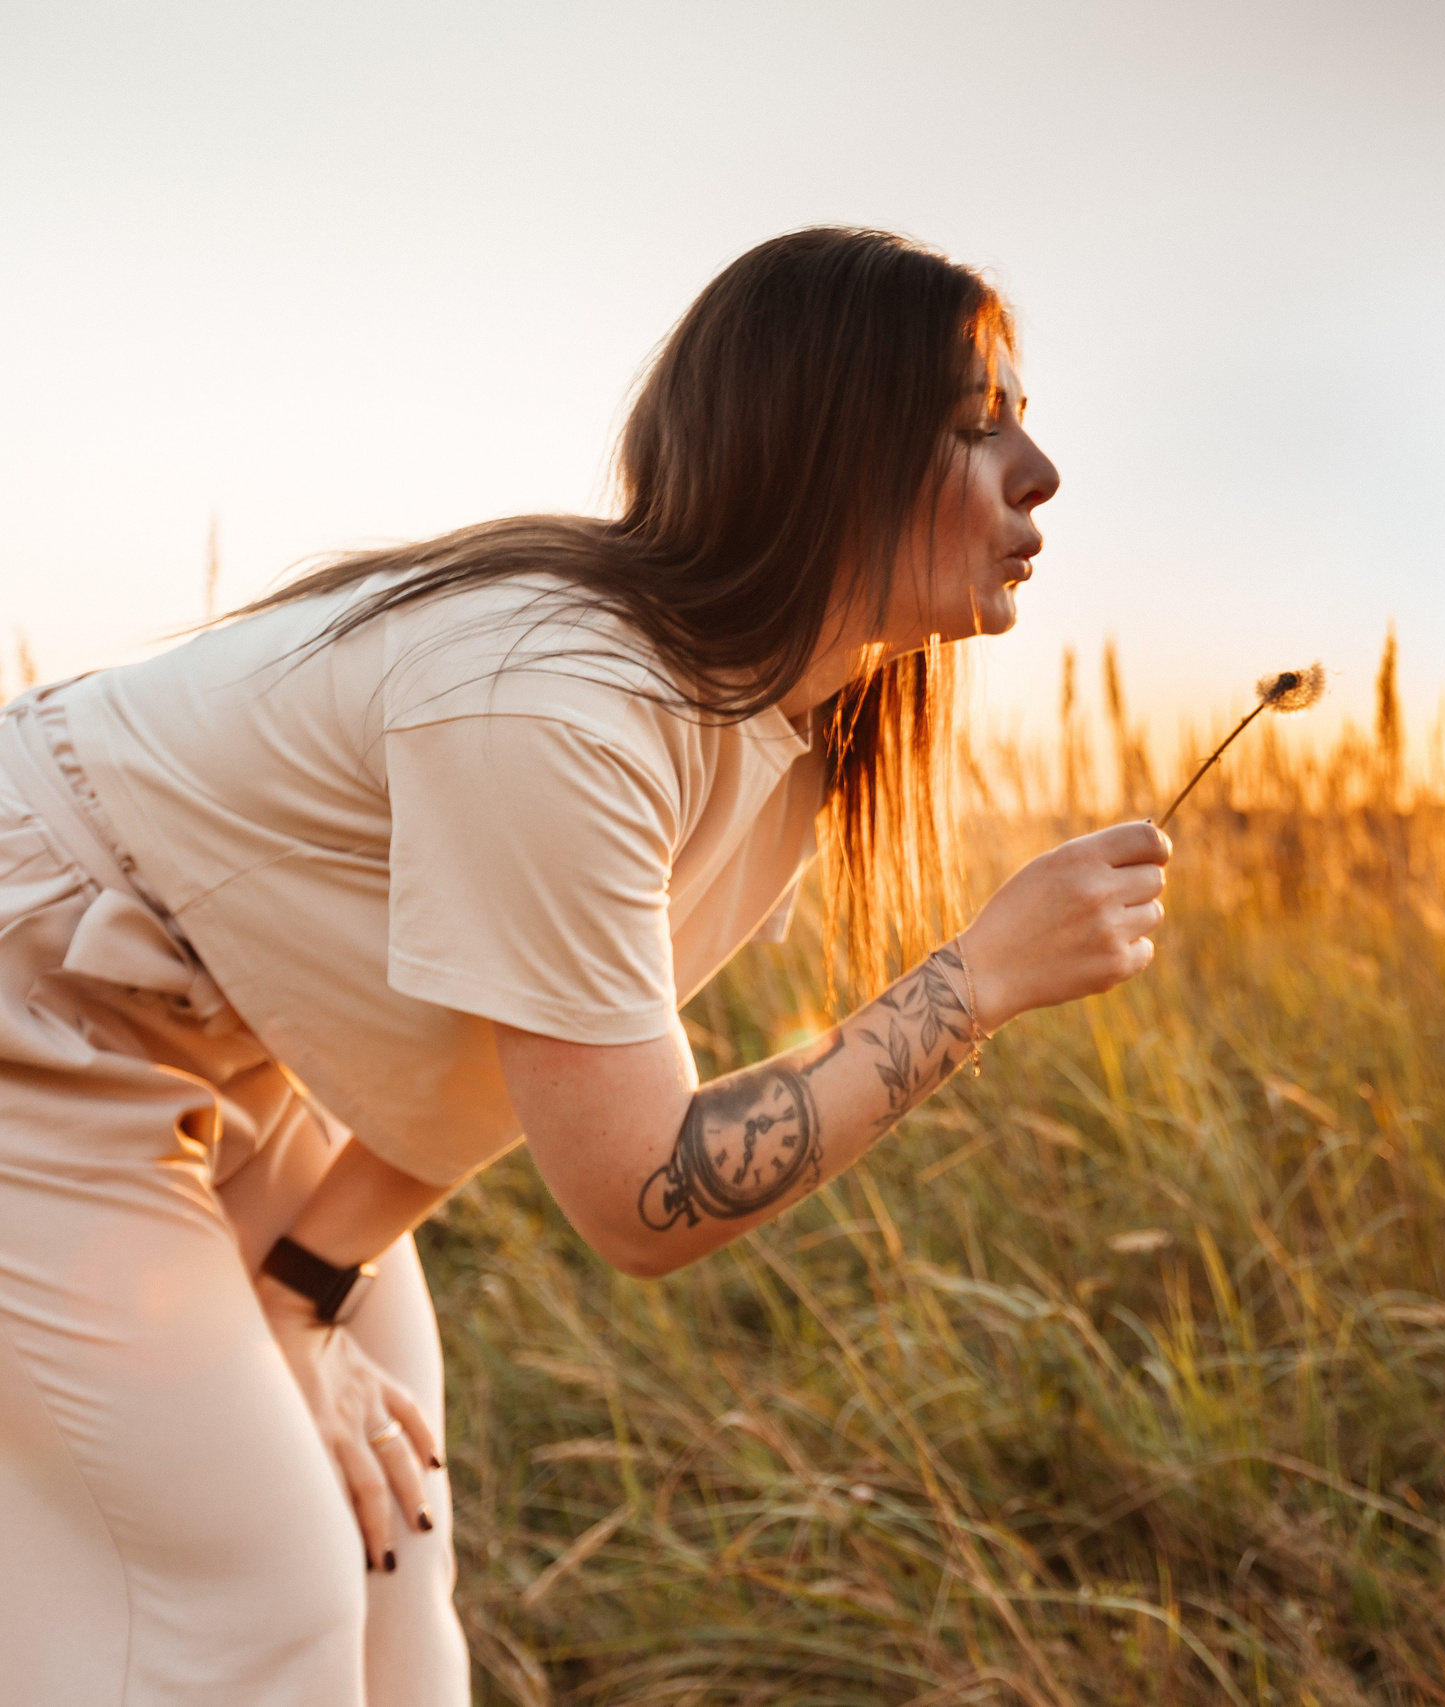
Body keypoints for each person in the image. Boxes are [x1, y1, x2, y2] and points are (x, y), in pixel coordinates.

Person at [0, 227, 1172, 1706]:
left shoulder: (792, 732)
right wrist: (978, 982)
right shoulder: (560, 700)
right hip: (33, 1005)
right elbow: (642, 1194)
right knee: (246, 1593)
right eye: (973, 423)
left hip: (233, 1029)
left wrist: (303, 1292)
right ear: (825, 451)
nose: (1040, 467)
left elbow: (509, 1057)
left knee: (386, 1544)